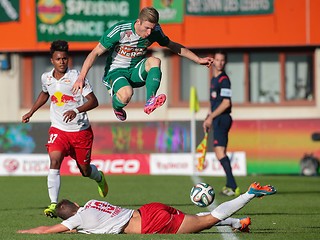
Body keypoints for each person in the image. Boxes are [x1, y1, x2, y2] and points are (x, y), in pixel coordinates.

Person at [72, 6, 213, 121]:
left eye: (152, 28)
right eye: (147, 28)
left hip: (135, 71)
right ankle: (117, 106)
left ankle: (150, 100)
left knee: (155, 61)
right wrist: (81, 77)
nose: (149, 32)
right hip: (115, 72)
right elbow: (94, 52)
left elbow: (172, 45)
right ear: (138, 22)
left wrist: (198, 59)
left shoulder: (155, 31)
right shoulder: (120, 30)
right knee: (127, 93)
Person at [22, 40, 109, 218]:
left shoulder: (77, 76)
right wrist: (31, 112)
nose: (62, 61)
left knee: (85, 171)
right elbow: (45, 93)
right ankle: (54, 204)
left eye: (64, 58)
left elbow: (94, 101)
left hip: (80, 131)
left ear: (68, 59)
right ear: (52, 60)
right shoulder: (46, 78)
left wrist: (76, 110)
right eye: (58, 59)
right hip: (58, 129)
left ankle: (98, 177)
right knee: (54, 160)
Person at [17, 182, 276, 234]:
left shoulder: (76, 220)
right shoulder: (90, 205)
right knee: (195, 221)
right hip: (149, 210)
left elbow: (47, 230)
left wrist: (26, 232)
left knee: (205, 221)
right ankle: (236, 223)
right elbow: (86, 216)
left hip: (150, 225)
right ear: (75, 205)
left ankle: (249, 195)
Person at [202, 50, 240, 197]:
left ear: (225, 62)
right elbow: (215, 102)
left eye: (222, 60)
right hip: (217, 118)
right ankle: (230, 184)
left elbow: (225, 103)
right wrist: (208, 117)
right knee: (220, 153)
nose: (220, 63)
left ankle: (233, 186)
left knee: (220, 152)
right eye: (217, 60)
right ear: (213, 62)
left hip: (222, 118)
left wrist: (211, 117)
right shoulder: (213, 79)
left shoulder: (224, 79)